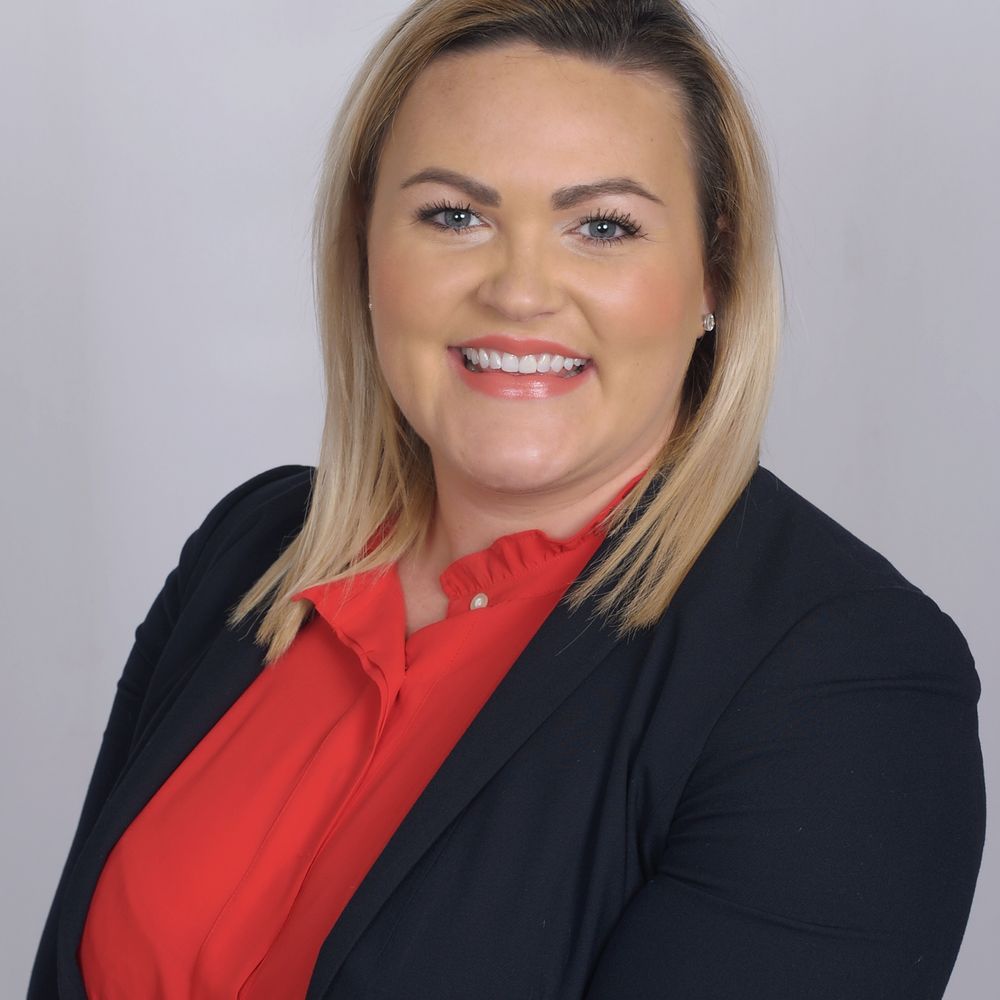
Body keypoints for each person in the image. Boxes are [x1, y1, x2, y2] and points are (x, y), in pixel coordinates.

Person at [29, 0, 986, 997]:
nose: (520, 290)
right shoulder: (250, 551)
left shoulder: (843, 680)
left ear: (714, 270)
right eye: (455, 216)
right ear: (365, 244)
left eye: (602, 226)